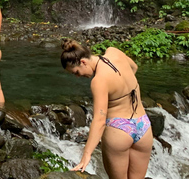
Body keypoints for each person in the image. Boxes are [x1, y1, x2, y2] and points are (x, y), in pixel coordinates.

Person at [61, 39, 152, 178]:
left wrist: (86, 155)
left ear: (83, 62)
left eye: (76, 72)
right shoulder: (114, 52)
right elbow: (134, 68)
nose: (78, 76)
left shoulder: (99, 81)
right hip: (143, 126)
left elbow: (100, 120)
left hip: (119, 130)